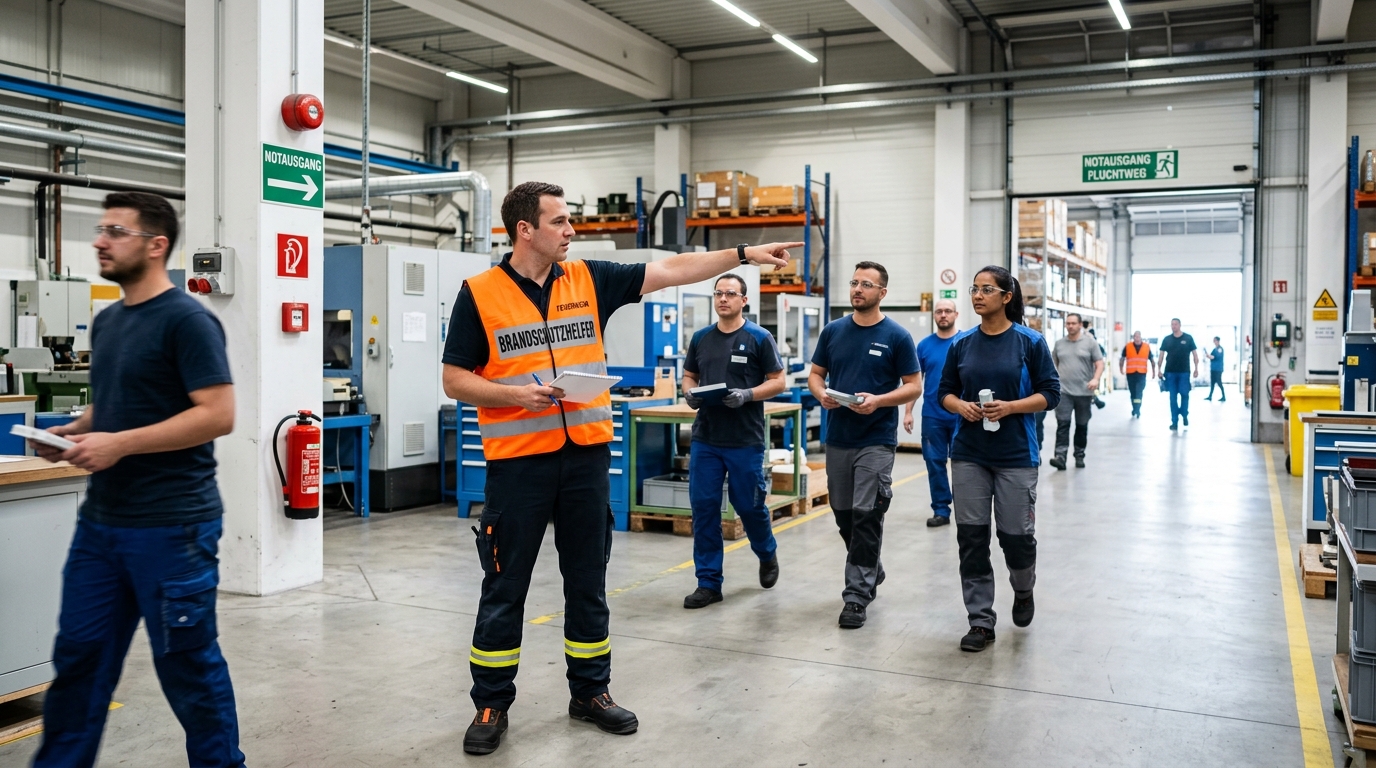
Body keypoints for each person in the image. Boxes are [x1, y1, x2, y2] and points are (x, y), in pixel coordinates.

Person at [442, 181, 800, 755]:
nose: (570, 231)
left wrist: (740, 255)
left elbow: (674, 267)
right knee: (505, 586)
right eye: (559, 221)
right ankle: (491, 702)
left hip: (585, 459)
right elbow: (455, 377)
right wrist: (516, 397)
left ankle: (591, 692)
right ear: (524, 230)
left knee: (589, 581)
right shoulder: (479, 293)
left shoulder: (588, 279)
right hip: (518, 467)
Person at [31, 192, 244, 767]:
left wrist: (118, 445)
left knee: (189, 671)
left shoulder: (188, 320)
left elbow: (217, 414)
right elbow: (118, 404)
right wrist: (74, 431)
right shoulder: (108, 322)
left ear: (156, 246)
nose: (100, 240)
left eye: (115, 231)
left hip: (172, 527)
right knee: (78, 660)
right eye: (101, 229)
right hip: (103, 526)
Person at [938, 265, 1059, 653]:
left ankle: (1023, 591)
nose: (977, 295)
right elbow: (945, 392)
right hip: (969, 454)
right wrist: (961, 407)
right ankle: (980, 621)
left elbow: (1050, 394)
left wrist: (1011, 408)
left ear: (1006, 297)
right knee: (971, 540)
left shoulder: (1029, 342)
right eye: (974, 289)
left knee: (1016, 539)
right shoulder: (962, 344)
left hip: (1016, 456)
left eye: (986, 289)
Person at [808, 262, 920, 630]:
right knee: (842, 512)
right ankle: (872, 566)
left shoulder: (897, 336)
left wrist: (880, 400)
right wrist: (821, 393)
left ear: (882, 293)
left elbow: (913, 385)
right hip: (839, 436)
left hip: (876, 438)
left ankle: (856, 597)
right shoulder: (833, 331)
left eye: (866, 284)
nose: (857, 289)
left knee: (866, 514)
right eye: (854, 282)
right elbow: (816, 374)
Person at [680, 273, 787, 608]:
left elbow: (779, 381)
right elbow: (689, 375)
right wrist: (689, 394)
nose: (723, 298)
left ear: (744, 300)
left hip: (745, 440)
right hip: (707, 438)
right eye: (718, 293)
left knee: (749, 505)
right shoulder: (701, 338)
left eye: (730, 293)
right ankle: (709, 583)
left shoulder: (759, 337)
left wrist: (748, 394)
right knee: (704, 508)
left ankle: (767, 551)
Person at [904, 298, 960, 527]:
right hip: (933, 416)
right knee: (934, 462)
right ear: (934, 316)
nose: (943, 315)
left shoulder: (966, 342)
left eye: (948, 311)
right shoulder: (924, 346)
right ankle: (941, 510)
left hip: (962, 415)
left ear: (956, 314)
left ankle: (967, 509)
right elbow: (915, 383)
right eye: (939, 312)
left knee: (963, 464)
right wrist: (908, 411)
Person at [1049, 313, 1103, 470]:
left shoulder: (1090, 343)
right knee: (1063, 424)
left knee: (1081, 425)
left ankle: (1079, 455)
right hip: (1063, 392)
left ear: (1080, 325)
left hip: (1084, 392)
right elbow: (1054, 366)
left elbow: (1099, 363)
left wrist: (1096, 379)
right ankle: (1060, 456)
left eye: (1073, 323)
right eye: (1068, 323)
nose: (1070, 326)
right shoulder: (1059, 344)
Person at [1157, 318, 1200, 430]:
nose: (1173, 326)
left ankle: (1184, 414)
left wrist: (1196, 368)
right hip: (1170, 372)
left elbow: (1195, 354)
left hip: (1184, 372)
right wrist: (1159, 369)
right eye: (1172, 324)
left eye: (1175, 324)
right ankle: (1174, 421)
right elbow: (1161, 355)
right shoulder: (1167, 339)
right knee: (1173, 397)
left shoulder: (1188, 338)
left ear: (1180, 325)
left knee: (1184, 394)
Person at [1119, 330, 1156, 418]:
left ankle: (1137, 409)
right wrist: (1121, 368)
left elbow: (1152, 360)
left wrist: (1154, 372)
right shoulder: (1128, 346)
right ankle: (1134, 408)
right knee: (1133, 392)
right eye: (1135, 336)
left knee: (1139, 392)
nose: (1137, 338)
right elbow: (1122, 358)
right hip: (1131, 373)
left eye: (1138, 336)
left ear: (1141, 337)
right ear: (1133, 337)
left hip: (1141, 373)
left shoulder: (1146, 347)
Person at [1205, 336, 1226, 402]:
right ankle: (1210, 396)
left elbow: (1215, 357)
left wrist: (1210, 356)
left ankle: (1223, 396)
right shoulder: (1215, 349)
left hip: (1218, 369)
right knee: (1212, 383)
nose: (1214, 342)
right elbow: (1211, 356)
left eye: (1215, 340)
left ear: (1218, 341)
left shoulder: (1220, 349)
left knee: (1219, 382)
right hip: (1213, 368)